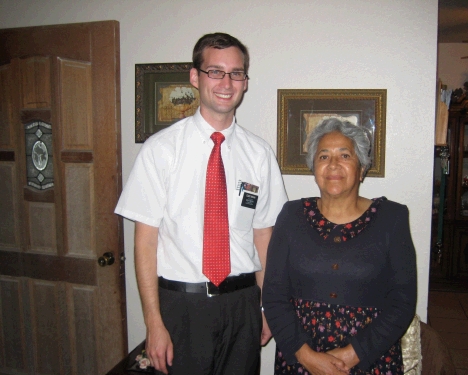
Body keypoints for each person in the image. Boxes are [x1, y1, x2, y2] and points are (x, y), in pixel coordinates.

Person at [115, 32, 287, 375]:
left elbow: (264, 237)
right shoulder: (160, 150)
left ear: (245, 82)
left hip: (243, 303)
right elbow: (145, 242)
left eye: (236, 73)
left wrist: (268, 306)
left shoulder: (260, 155)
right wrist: (154, 323)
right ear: (195, 77)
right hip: (182, 306)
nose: (226, 82)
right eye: (215, 71)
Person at [262, 117, 417, 375]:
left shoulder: (392, 218)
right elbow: (274, 295)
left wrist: (350, 356)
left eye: (345, 155)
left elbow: (402, 303)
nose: (333, 164)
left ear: (362, 168)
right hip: (302, 359)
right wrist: (308, 358)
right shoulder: (291, 216)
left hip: (371, 357)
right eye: (323, 157)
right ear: (313, 167)